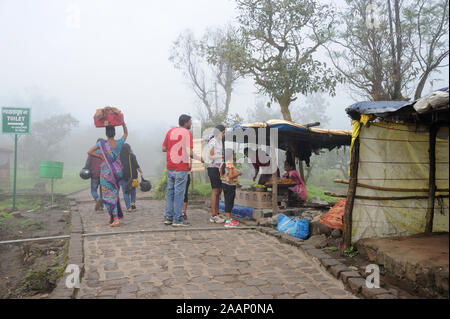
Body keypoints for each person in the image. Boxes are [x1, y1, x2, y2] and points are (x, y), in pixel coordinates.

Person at [162, 114, 203, 227]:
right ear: (185, 123)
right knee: (179, 194)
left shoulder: (170, 132)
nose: (190, 124)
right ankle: (177, 219)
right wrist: (200, 158)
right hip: (181, 167)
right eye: (190, 122)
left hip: (170, 166)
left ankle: (168, 217)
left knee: (170, 193)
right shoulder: (187, 133)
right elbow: (189, 152)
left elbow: (164, 148)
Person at [87, 123, 128, 227]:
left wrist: (99, 156)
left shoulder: (102, 144)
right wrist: (123, 123)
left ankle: (115, 219)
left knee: (108, 196)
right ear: (114, 133)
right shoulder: (119, 143)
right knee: (114, 194)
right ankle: (111, 217)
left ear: (106, 133)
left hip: (107, 173)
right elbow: (126, 133)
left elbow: (89, 151)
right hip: (117, 171)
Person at [207, 125, 226, 224]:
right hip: (213, 168)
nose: (224, 135)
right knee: (215, 191)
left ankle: (217, 213)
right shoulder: (213, 141)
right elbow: (210, 156)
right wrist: (222, 156)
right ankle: (213, 215)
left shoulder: (220, 142)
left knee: (219, 191)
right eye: (223, 133)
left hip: (219, 168)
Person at [220, 149, 242, 228]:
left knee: (227, 201)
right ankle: (228, 221)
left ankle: (228, 218)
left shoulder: (224, 163)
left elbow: (224, 175)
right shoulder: (229, 164)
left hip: (225, 184)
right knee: (229, 202)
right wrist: (238, 173)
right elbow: (230, 176)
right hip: (230, 185)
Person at [120, 143, 144, 212]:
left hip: (123, 176)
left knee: (125, 192)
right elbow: (136, 165)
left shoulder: (119, 157)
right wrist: (141, 172)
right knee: (133, 190)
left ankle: (128, 207)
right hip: (133, 176)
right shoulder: (132, 156)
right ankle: (132, 203)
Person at [85, 139, 104, 211]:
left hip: (94, 174)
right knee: (102, 191)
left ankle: (97, 199)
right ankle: (101, 206)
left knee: (93, 190)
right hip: (103, 175)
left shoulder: (91, 153)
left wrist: (85, 169)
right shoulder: (105, 153)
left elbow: (87, 164)